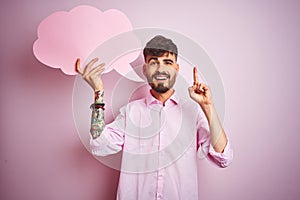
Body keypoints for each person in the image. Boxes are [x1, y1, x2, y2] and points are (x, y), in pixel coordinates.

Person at [76, 35, 233, 200]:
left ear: (177, 69)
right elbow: (98, 143)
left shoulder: (193, 112)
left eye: (168, 62)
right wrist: (98, 91)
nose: (160, 69)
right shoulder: (131, 112)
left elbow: (223, 157)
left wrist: (208, 106)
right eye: (153, 62)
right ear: (145, 70)